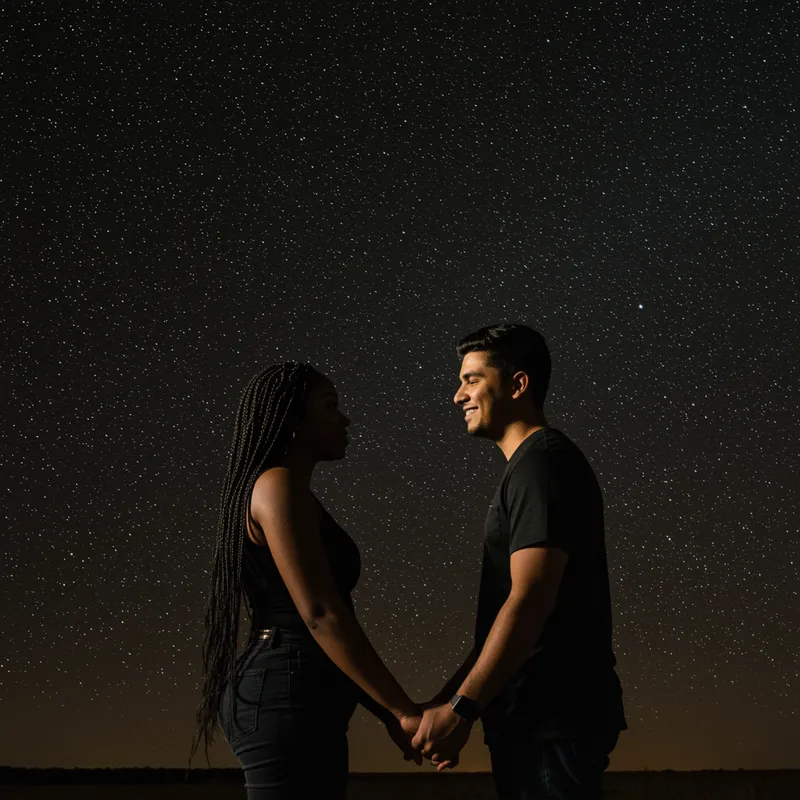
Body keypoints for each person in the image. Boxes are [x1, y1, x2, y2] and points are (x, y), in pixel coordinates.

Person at [413, 324, 627, 799]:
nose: (457, 395)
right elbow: (504, 616)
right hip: (532, 718)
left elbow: (531, 598)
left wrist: (462, 709)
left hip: (552, 717)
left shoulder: (542, 464)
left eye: (471, 379)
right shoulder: (529, 466)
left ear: (518, 384)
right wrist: (451, 704)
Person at [190, 362, 422, 799]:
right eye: (331, 405)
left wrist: (391, 713)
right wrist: (403, 712)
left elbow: (330, 624)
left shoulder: (286, 489)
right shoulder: (277, 485)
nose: (345, 418)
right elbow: (320, 615)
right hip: (285, 689)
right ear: (293, 418)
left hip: (296, 688)